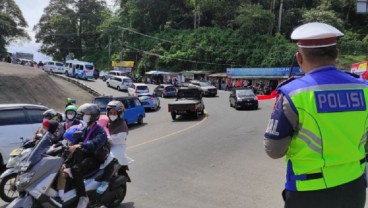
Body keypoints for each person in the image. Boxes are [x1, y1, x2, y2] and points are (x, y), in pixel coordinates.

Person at [263, 22, 368, 208]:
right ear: (337, 54)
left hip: (309, 191)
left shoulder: (293, 94)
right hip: (354, 187)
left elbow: (274, 150)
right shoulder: (364, 89)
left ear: (299, 58)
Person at [67, 103, 109, 208]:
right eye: (83, 114)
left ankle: (83, 197)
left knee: (76, 169)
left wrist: (79, 145)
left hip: (95, 157)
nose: (83, 116)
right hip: (85, 154)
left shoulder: (100, 131)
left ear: (93, 116)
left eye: (86, 114)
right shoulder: (85, 128)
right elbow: (76, 138)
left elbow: (94, 144)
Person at [96, 100, 132, 194]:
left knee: (109, 158)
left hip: (118, 146)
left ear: (120, 114)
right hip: (107, 144)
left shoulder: (122, 125)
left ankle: (105, 182)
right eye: (110, 112)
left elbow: (119, 139)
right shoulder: (107, 122)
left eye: (115, 113)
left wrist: (107, 138)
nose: (112, 114)